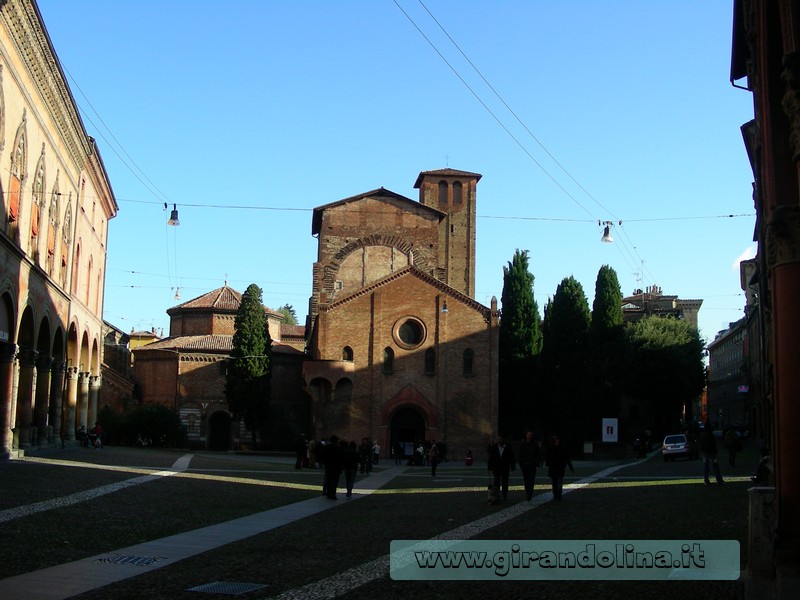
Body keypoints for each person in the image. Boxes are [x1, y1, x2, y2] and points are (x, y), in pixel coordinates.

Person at [487, 434, 516, 501]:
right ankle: (497, 495)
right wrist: (489, 466)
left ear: (503, 440)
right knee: (496, 482)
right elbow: (491, 457)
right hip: (496, 468)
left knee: (505, 482)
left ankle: (504, 495)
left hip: (505, 468)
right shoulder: (494, 447)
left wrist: (512, 466)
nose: (500, 440)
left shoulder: (508, 447)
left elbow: (511, 457)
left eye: (501, 439)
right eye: (499, 439)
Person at [546, 436, 573, 501]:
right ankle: (556, 495)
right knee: (555, 483)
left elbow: (566, 458)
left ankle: (558, 495)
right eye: (556, 442)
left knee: (558, 482)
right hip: (555, 467)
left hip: (559, 467)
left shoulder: (558, 449)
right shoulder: (553, 449)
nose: (557, 443)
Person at [518, 430, 541, 501]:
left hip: (532, 465)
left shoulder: (534, 444)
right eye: (528, 435)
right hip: (525, 464)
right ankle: (528, 492)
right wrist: (521, 464)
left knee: (531, 480)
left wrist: (536, 463)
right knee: (526, 480)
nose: (529, 436)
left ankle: (529, 493)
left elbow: (537, 454)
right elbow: (520, 454)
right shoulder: (523, 444)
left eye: (530, 435)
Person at [323, 435, 343, 499]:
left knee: (329, 480)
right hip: (336, 467)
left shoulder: (327, 447)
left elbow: (324, 457)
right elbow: (341, 458)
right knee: (335, 481)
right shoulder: (339, 448)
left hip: (328, 466)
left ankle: (329, 494)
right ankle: (333, 494)